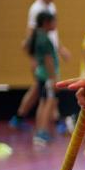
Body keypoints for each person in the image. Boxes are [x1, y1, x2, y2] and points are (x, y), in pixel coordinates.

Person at [11, 0, 64, 129]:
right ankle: (43, 122)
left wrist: (61, 49)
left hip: (49, 54)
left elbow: (53, 33)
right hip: (44, 57)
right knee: (46, 90)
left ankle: (48, 119)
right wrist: (33, 58)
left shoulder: (51, 6)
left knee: (43, 90)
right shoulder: (36, 9)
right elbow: (31, 33)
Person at [26, 11, 59, 146]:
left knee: (43, 101)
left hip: (41, 75)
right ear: (46, 23)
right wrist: (53, 78)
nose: (55, 24)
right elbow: (48, 60)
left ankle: (40, 131)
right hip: (47, 77)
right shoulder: (44, 39)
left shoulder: (38, 36)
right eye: (53, 21)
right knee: (48, 102)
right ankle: (42, 132)